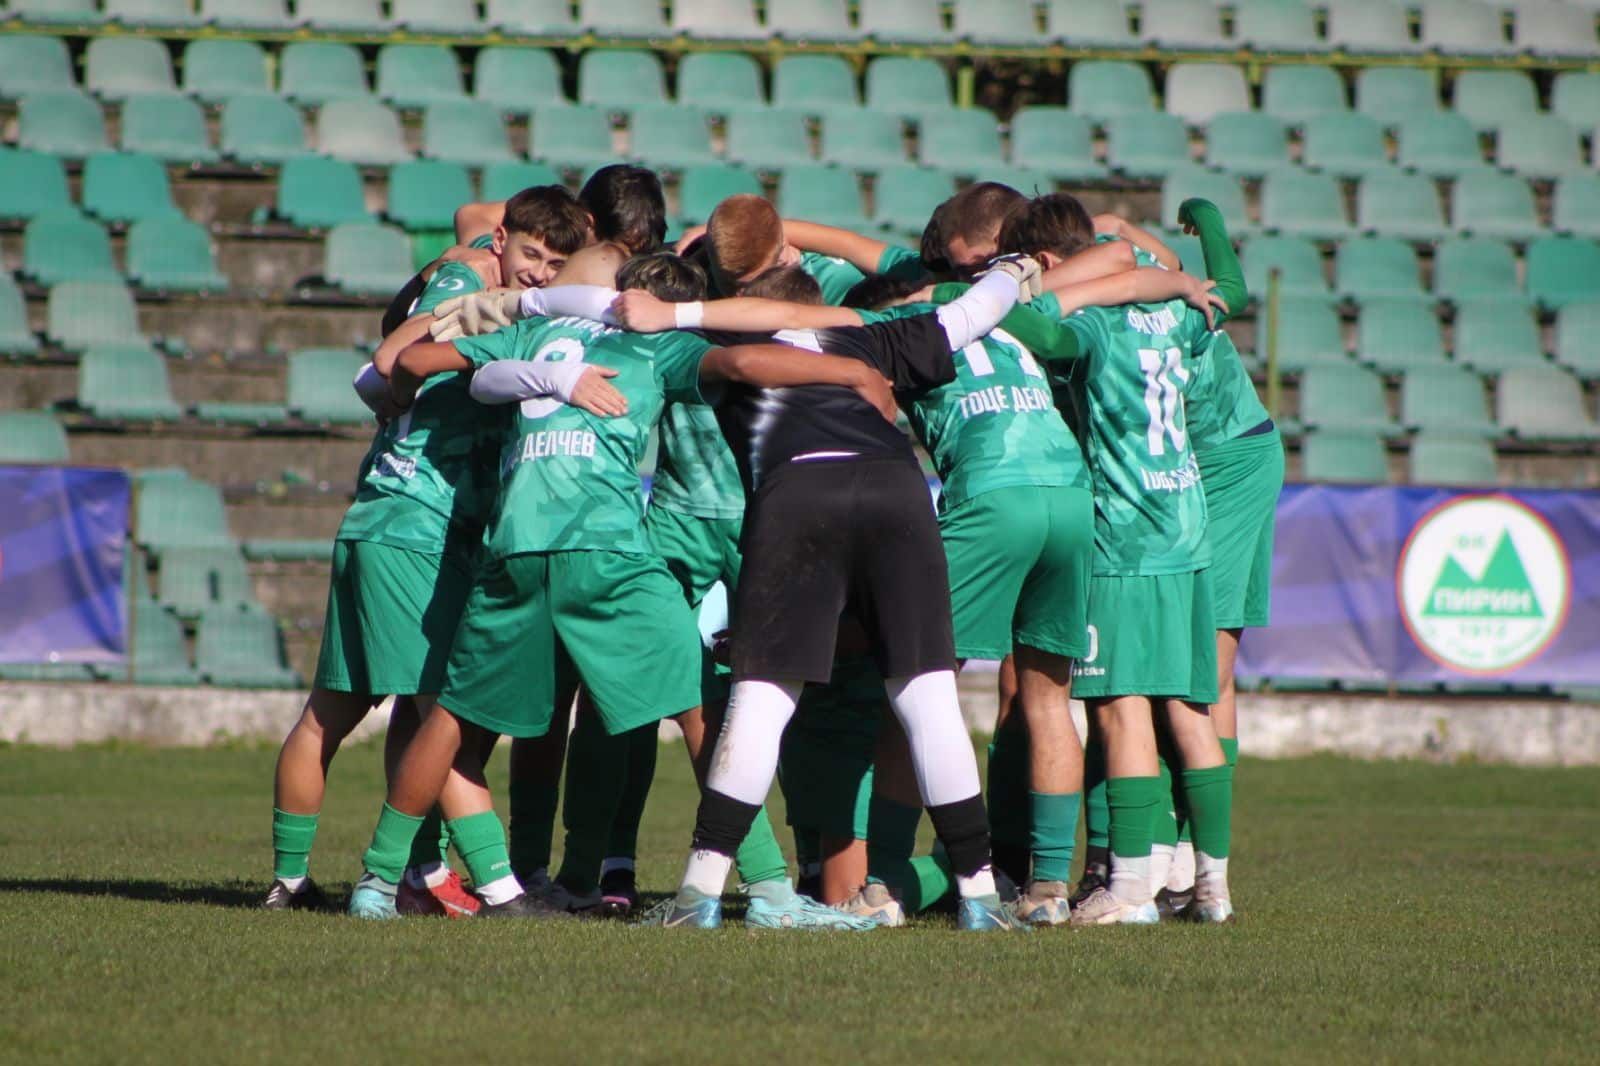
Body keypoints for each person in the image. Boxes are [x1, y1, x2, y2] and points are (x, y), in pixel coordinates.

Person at [346, 254, 897, 922]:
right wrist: (849, 368)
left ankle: (376, 885)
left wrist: (538, 371)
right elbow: (748, 364)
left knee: (454, 718)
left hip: (514, 547)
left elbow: (412, 363)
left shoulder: (536, 333)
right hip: (604, 547)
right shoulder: (661, 344)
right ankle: (770, 890)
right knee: (701, 707)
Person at [626, 259, 1038, 931]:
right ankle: (982, 900)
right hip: (896, 489)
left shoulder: (715, 344)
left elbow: (612, 317)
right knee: (929, 697)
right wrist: (1012, 270)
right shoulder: (866, 335)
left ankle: (699, 897)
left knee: (763, 701)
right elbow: (978, 313)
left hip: (798, 494)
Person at [998, 194, 1246, 925]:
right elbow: (1226, 287)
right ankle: (1213, 885)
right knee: (1191, 710)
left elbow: (1019, 322)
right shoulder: (1180, 311)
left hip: (1126, 538)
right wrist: (1206, 221)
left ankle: (1131, 887)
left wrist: (1002, 285)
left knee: (1119, 707)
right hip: (1188, 528)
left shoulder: (1087, 325)